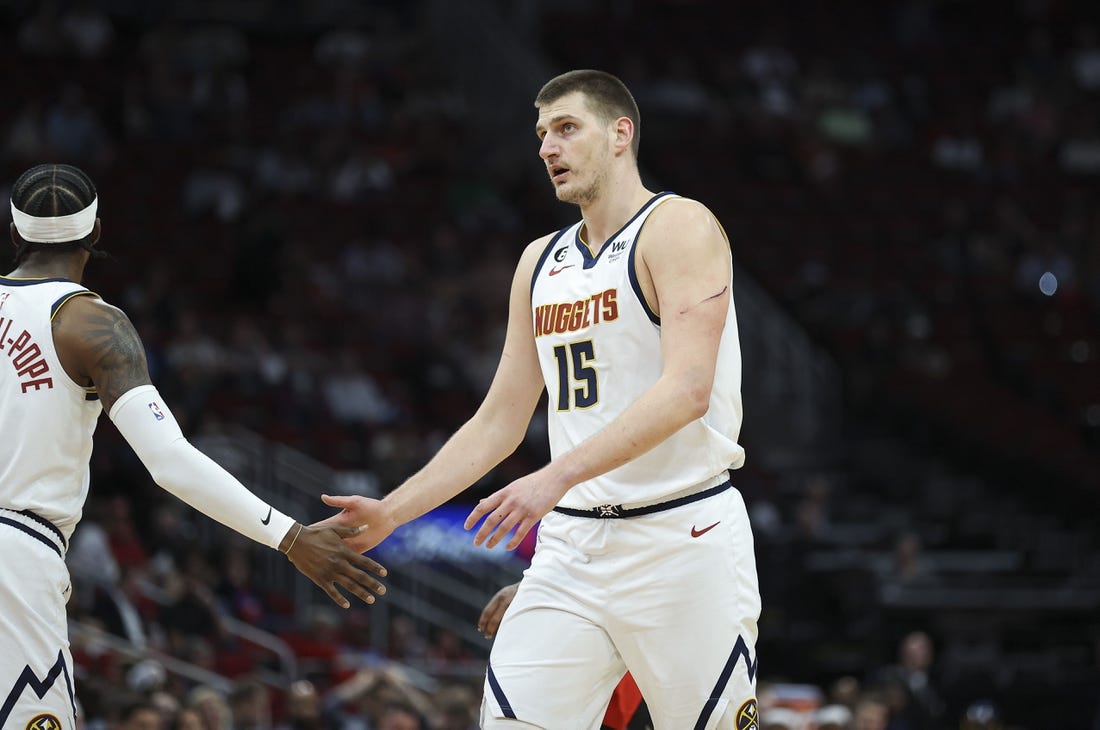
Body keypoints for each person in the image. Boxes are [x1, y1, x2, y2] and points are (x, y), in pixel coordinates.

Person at [321, 69, 760, 728]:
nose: (546, 148)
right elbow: (498, 420)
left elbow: (688, 390)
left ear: (620, 134)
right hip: (573, 545)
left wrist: (551, 478)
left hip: (683, 534)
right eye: (540, 134)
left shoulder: (679, 225)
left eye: (565, 129)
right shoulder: (538, 263)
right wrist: (392, 512)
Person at [0, 163, 388, 729]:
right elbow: (169, 461)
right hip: (15, 549)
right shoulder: (90, 324)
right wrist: (291, 536)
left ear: (14, 232)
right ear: (97, 232)